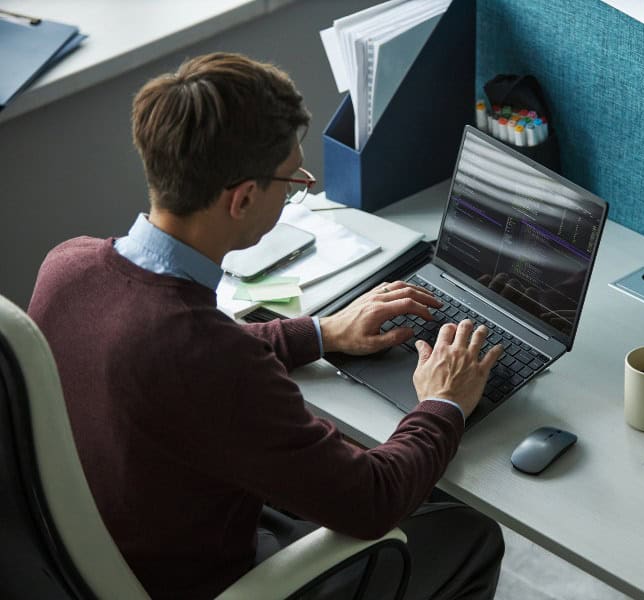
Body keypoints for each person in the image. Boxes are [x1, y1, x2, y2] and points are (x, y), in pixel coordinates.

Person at [28, 52, 505, 599]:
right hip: (207, 579)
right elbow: (372, 501)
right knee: (467, 531)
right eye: (291, 179)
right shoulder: (209, 359)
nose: (298, 187)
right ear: (244, 198)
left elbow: (181, 352)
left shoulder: (66, 266)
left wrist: (323, 332)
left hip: (109, 548)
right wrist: (442, 402)